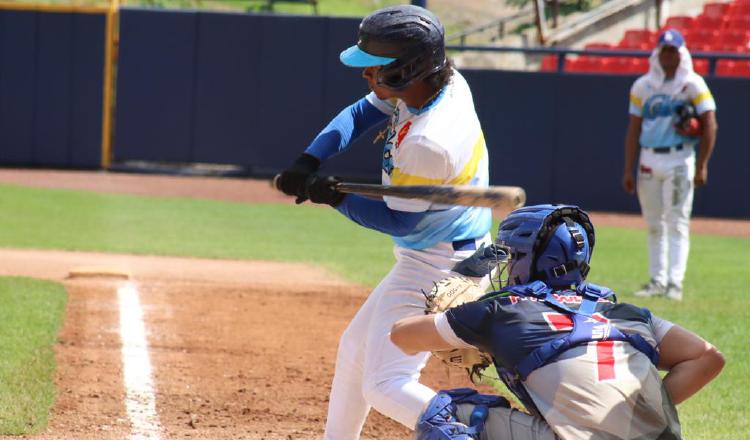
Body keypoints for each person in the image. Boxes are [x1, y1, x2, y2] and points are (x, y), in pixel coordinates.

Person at [275, 5, 493, 439]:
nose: (365, 74)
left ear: (406, 69)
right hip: (443, 252)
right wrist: (310, 160)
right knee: (355, 349)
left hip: (439, 264)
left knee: (384, 385)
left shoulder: (431, 141)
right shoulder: (440, 82)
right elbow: (360, 113)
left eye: (374, 66)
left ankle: (496, 430)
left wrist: (334, 197)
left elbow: (404, 224)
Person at [391, 204, 725, 440]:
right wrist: (633, 411)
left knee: (446, 414)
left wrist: (458, 310)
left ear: (528, 261)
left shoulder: (503, 311)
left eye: (511, 256)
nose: (506, 267)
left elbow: (401, 336)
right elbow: (708, 357)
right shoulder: (625, 312)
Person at [622, 28, 718, 301]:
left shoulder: (693, 84)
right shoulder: (642, 86)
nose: (668, 55)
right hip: (649, 156)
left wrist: (702, 164)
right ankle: (657, 280)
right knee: (654, 223)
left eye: (673, 50)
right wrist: (628, 168)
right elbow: (633, 128)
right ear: (657, 53)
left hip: (679, 156)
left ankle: (675, 282)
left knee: (677, 221)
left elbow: (710, 122)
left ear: (682, 53)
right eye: (664, 50)